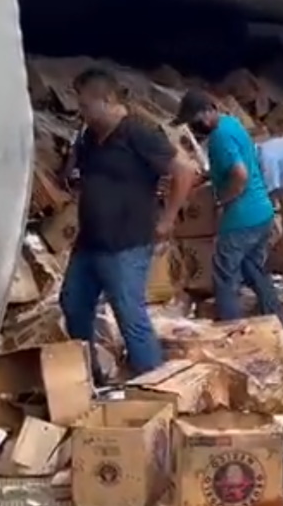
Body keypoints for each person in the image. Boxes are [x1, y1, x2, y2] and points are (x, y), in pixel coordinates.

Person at [60, 68, 196, 381]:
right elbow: (75, 175)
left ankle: (155, 384)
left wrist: (168, 218)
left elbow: (185, 170)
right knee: (73, 303)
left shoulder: (137, 132)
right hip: (90, 242)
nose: (80, 112)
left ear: (106, 100)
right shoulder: (89, 138)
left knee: (129, 315)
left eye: (84, 106)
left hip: (126, 243)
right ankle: (88, 375)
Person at [174, 90, 282, 321]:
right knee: (254, 269)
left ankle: (230, 330)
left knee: (224, 276)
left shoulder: (219, 137)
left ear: (207, 111)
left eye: (195, 121)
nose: (195, 127)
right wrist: (206, 177)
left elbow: (239, 175)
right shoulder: (232, 123)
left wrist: (222, 199)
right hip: (262, 210)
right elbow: (235, 164)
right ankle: (276, 319)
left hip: (241, 218)